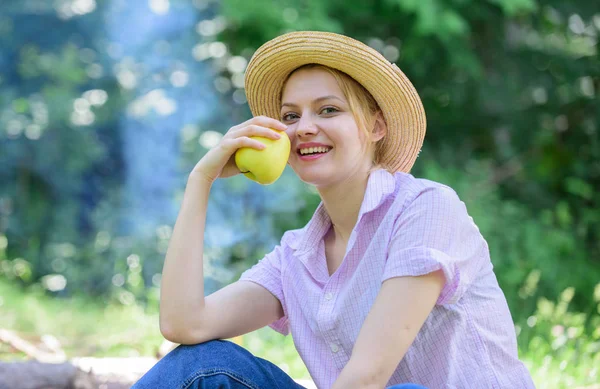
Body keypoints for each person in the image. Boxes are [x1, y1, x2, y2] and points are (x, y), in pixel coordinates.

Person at [132, 31, 535, 389]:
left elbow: (367, 377)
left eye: (328, 110)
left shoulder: (426, 209)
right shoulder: (297, 257)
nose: (304, 127)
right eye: (291, 116)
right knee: (204, 362)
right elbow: (184, 324)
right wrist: (200, 182)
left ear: (376, 127)